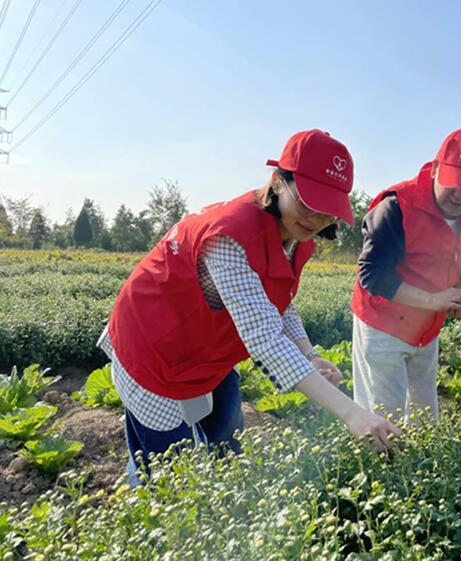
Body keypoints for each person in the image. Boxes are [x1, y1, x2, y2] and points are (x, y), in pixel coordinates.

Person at [98, 129, 401, 484]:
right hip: (154, 348)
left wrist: (309, 354)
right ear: (277, 183)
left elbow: (279, 304)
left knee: (227, 438)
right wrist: (353, 414)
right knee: (165, 469)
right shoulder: (230, 236)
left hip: (208, 349)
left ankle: (217, 499)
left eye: (326, 214)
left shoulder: (296, 237)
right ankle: (148, 511)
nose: (314, 221)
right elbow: (265, 340)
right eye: (306, 204)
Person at [351, 128, 461, 422]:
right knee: (382, 419)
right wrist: (434, 299)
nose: (460, 194)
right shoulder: (397, 205)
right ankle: (377, 466)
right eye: (455, 182)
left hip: (427, 327)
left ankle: (417, 465)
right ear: (437, 168)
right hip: (383, 323)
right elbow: (373, 274)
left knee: (425, 417)